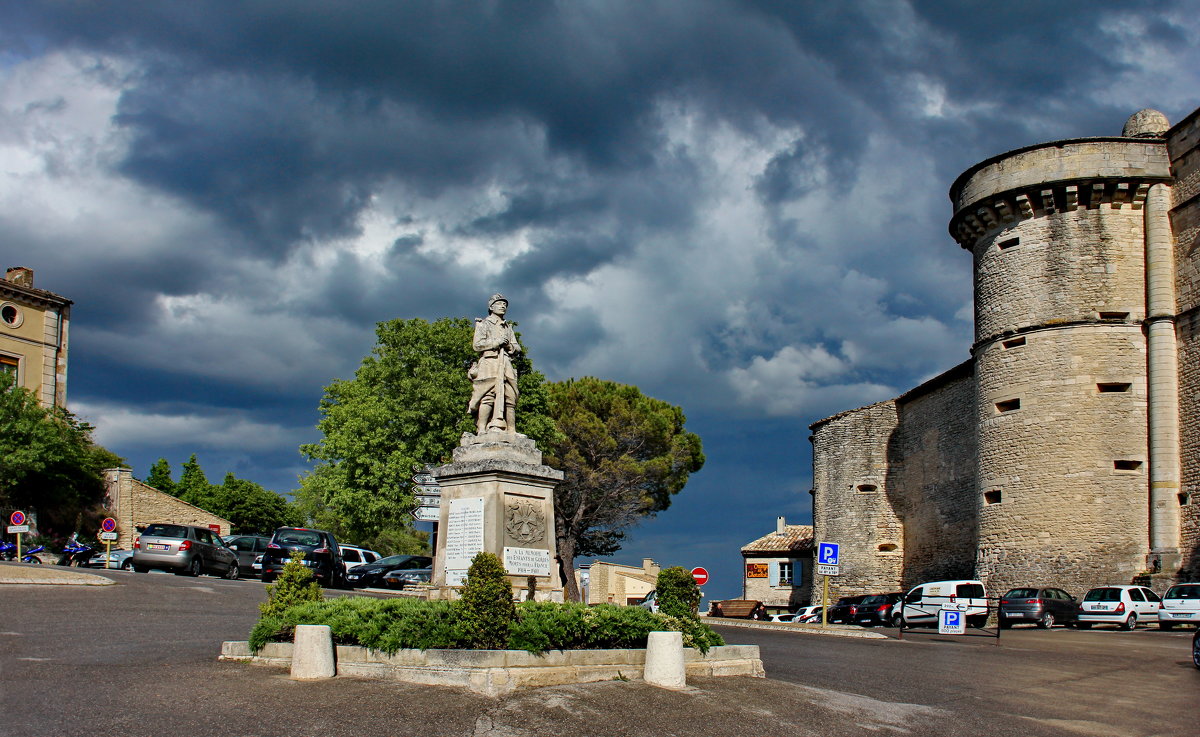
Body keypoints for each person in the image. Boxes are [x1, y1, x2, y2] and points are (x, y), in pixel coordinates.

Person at [469, 294, 520, 434]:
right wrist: (496, 342)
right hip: (490, 362)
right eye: (500, 303)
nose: (503, 306)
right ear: (491, 307)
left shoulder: (508, 327)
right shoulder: (484, 324)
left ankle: (511, 430)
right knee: (488, 395)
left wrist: (509, 346)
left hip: (505, 363)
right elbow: (477, 345)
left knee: (510, 396)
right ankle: (482, 428)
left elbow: (517, 348)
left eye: (505, 304)